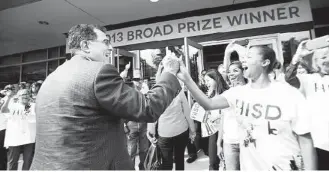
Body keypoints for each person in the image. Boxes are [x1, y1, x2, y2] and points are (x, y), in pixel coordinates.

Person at [30, 24, 182, 170]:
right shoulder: (99, 72)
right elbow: (147, 108)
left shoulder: (51, 77)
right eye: (105, 42)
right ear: (85, 46)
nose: (110, 47)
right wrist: (169, 73)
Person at [177, 44, 317, 170]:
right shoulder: (238, 93)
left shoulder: (288, 93)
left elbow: (305, 141)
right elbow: (208, 104)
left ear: (265, 62)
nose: (243, 59)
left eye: (249, 56)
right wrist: (186, 79)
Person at [285, 41, 329, 170]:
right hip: (319, 143)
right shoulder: (309, 79)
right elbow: (289, 78)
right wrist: (297, 57)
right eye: (323, 57)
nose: (328, 59)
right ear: (315, 61)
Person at [147, 63, 196, 170]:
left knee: (166, 163)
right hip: (181, 130)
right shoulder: (179, 92)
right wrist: (192, 130)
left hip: (164, 133)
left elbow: (152, 114)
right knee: (179, 160)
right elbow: (187, 112)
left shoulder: (155, 93)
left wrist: (151, 133)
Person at [1, 89, 36, 170]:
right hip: (15, 138)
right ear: (18, 97)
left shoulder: (33, 105)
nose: (25, 95)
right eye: (23, 94)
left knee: (28, 161)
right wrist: (9, 98)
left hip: (29, 138)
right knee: (13, 161)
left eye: (27, 94)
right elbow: (3, 110)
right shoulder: (13, 105)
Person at [202, 69, 230, 170]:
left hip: (226, 132)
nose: (206, 84)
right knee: (213, 162)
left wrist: (218, 117)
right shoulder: (210, 95)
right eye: (205, 81)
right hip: (213, 132)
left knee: (227, 162)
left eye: (208, 80)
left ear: (216, 79)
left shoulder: (227, 94)